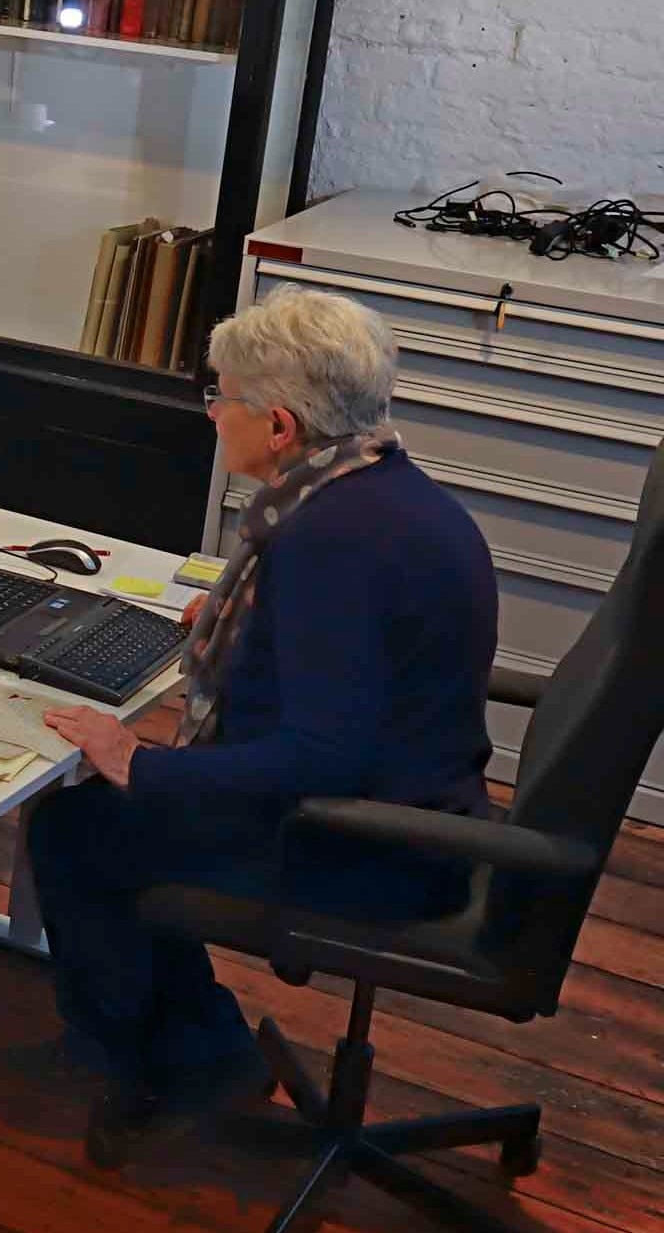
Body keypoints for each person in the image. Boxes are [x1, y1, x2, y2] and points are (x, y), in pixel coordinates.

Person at [33, 288, 497, 1165]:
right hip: (428, 813)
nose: (213, 414)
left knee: (78, 825)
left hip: (372, 850)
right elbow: (356, 668)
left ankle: (160, 1069)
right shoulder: (384, 489)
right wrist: (246, 624)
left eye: (222, 398)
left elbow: (319, 754)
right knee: (112, 816)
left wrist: (140, 760)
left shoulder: (329, 542)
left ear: (278, 427)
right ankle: (205, 1047)